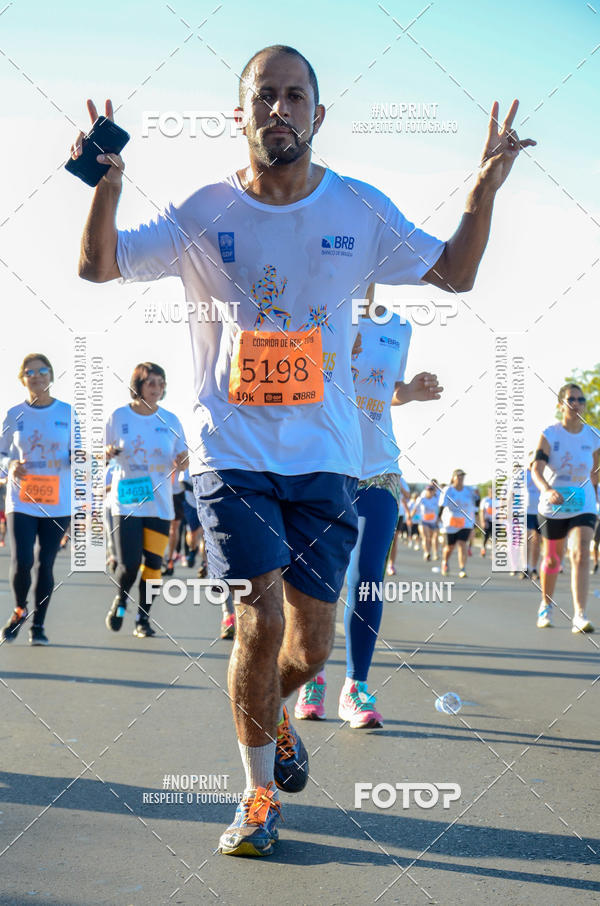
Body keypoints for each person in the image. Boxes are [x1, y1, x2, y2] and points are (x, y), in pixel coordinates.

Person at [74, 43, 533, 856]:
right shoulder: (202, 209)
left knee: (311, 645)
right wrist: (106, 191)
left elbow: (455, 274)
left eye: (294, 97)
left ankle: (281, 712)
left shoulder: (358, 208)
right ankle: (256, 797)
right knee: (258, 617)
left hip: (328, 454)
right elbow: (98, 265)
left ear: (317, 116)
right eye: (265, 96)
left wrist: (482, 191)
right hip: (230, 451)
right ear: (241, 113)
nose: (279, 109)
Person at [295, 290, 442, 727]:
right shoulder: (318, 312)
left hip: (378, 468)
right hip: (324, 465)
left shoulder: (397, 326)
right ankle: (311, 675)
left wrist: (410, 392)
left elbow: (386, 391)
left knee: (368, 578)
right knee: (318, 578)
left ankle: (355, 687)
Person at [105, 363, 188, 637]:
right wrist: (105, 453)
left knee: (153, 566)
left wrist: (182, 461)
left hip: (159, 505)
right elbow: (99, 455)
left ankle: (143, 618)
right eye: (151, 382)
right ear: (138, 385)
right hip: (127, 502)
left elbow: (183, 458)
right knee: (129, 565)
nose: (157, 388)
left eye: (161, 383)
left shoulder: (171, 420)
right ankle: (121, 601)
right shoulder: (118, 417)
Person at [0, 354, 72, 645]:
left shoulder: (67, 412)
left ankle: (38, 625)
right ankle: (20, 609)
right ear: (22, 379)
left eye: (43, 371)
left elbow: (80, 453)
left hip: (58, 500)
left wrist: (79, 458)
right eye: (30, 372)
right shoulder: (14, 414)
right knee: (22, 561)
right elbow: (1, 454)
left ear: (51, 376)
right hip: (22, 498)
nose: (37, 376)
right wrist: (10, 466)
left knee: (45, 563)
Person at [532, 383, 599, 632]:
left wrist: (588, 490)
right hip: (554, 505)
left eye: (581, 400)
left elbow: (595, 472)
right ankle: (545, 605)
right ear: (561, 404)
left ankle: (579, 615)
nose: (577, 403)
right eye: (571, 399)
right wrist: (547, 490)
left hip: (584, 504)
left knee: (581, 553)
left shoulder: (593, 435)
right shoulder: (550, 434)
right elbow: (536, 469)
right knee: (552, 559)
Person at [439, 469, 475, 578]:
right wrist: (438, 518)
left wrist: (475, 520)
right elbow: (441, 505)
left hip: (465, 522)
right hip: (450, 522)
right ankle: (445, 562)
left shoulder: (469, 490)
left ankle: (462, 568)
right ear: (453, 477)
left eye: (462, 476)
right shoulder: (448, 490)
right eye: (458, 476)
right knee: (450, 546)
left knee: (462, 544)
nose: (461, 478)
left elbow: (475, 504)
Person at [524, 455, 541, 580]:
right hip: (526, 511)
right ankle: (525, 567)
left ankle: (533, 567)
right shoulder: (523, 475)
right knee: (527, 539)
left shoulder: (543, 473)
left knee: (537, 541)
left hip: (540, 511)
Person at [413, 485, 439, 561]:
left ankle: (433, 552)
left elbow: (439, 510)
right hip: (423, 521)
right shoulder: (421, 499)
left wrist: (438, 518)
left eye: (432, 490)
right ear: (426, 491)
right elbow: (415, 508)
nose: (430, 492)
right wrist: (410, 517)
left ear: (434, 492)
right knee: (426, 537)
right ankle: (426, 552)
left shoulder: (436, 500)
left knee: (431, 538)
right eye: (429, 490)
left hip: (433, 522)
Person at [479, 485, 495, 556]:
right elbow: (482, 511)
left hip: (495, 521)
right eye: (490, 491)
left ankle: (493, 552)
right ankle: (483, 548)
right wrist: (482, 521)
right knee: (486, 536)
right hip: (487, 521)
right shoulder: (485, 500)